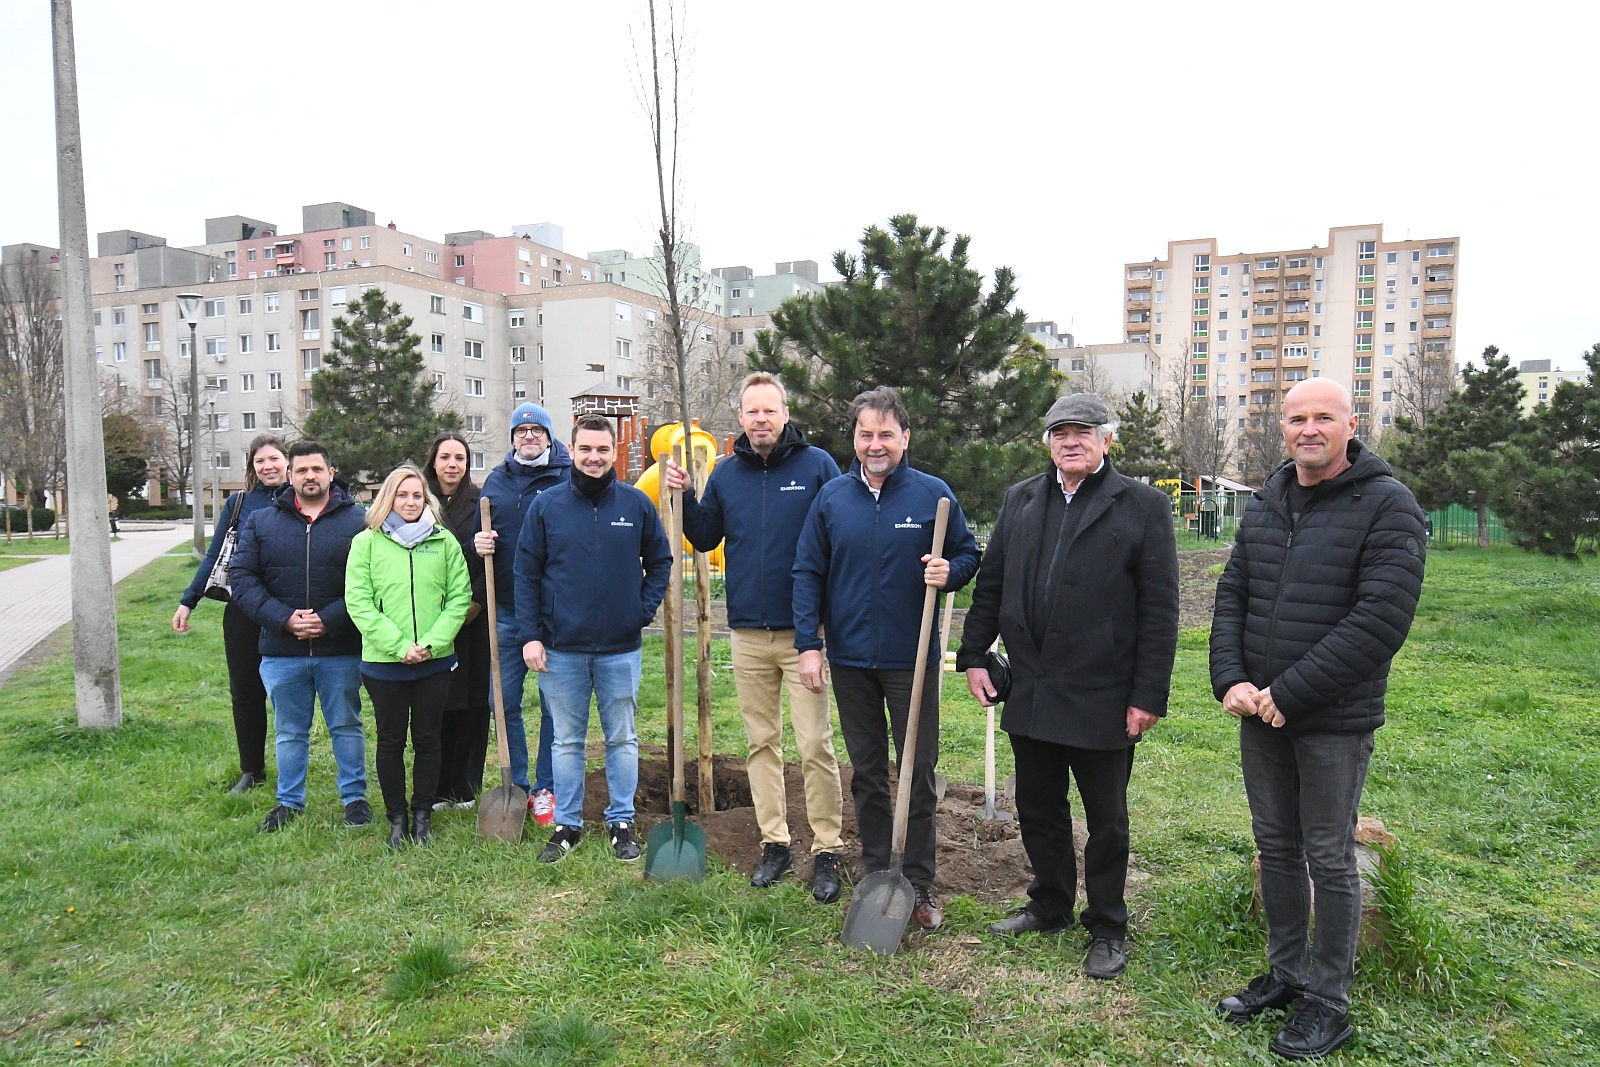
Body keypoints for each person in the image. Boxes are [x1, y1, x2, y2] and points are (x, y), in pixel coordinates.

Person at [1209, 378, 1425, 1061]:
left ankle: (1329, 1001)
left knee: (1328, 854)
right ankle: (1286, 972)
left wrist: (1291, 690)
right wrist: (1232, 677)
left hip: (1332, 716)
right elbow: (1234, 590)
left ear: (1350, 424)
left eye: (1322, 417)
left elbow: (1380, 620)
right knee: (1276, 846)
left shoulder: (1386, 504)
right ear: (1283, 427)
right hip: (1261, 710)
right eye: (1297, 417)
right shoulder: (1271, 497)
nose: (1309, 428)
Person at [956, 393, 1179, 980]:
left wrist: (1147, 695)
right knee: (1037, 804)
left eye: (1083, 431)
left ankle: (1107, 924)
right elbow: (992, 583)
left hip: (1104, 691)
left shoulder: (1143, 507)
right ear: (1048, 443)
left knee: (1106, 819)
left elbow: (1160, 610)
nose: (1071, 441)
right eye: (1060, 432)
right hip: (1032, 684)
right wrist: (975, 654)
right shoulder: (1022, 500)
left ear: (1107, 440)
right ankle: (1051, 903)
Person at [791, 386, 981, 931]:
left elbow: (968, 552)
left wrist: (951, 572)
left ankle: (918, 882)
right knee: (869, 774)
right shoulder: (832, 499)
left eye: (886, 435)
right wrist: (810, 644)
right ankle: (878, 871)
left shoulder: (932, 496)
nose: (875, 445)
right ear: (854, 438)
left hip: (911, 659)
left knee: (917, 771)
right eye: (865, 434)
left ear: (905, 438)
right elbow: (807, 572)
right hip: (850, 660)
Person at [661, 374, 847, 902]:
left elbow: (839, 533)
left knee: (814, 743)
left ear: (785, 414)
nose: (760, 420)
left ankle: (826, 847)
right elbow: (703, 535)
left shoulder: (817, 467)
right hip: (746, 631)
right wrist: (682, 495)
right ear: (739, 418)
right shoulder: (725, 474)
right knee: (760, 744)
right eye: (751, 412)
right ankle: (775, 842)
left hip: (803, 635)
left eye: (769, 411)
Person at [515, 414, 672, 864]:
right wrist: (531, 636)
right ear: (573, 450)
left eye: (602, 450)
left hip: (620, 649)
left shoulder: (636, 505)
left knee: (622, 737)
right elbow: (525, 575)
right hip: (561, 648)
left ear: (614, 453)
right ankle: (567, 823)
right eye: (585, 449)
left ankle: (621, 820)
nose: (594, 457)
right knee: (566, 740)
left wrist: (640, 611)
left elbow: (660, 560)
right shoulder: (546, 507)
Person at [230, 440, 371, 833]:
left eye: (317, 469)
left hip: (339, 646)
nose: (310, 476)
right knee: (290, 730)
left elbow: (371, 582)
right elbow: (241, 578)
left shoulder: (358, 521)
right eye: (302, 470)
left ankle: (355, 799)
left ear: (330, 472)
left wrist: (330, 620)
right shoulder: (262, 521)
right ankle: (289, 802)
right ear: (290, 476)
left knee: (346, 724)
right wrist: (285, 619)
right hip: (282, 649)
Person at [345, 464, 471, 849]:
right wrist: (400, 647)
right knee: (390, 741)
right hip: (385, 664)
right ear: (389, 499)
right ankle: (396, 817)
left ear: (426, 499)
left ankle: (423, 815)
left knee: (429, 739)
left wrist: (430, 644)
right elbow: (359, 602)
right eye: (403, 495)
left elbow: (460, 598)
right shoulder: (365, 543)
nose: (411, 501)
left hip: (435, 662)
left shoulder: (444, 542)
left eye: (417, 495)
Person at [174, 433, 289, 795]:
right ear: (252, 467)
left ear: (288, 462)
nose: (268, 466)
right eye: (260, 461)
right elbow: (214, 555)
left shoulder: (303, 497)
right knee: (245, 691)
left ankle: (293, 769)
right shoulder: (239, 503)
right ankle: (251, 770)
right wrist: (188, 599)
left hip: (289, 609)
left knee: (291, 691)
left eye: (274, 459)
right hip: (243, 609)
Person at [474, 403, 572, 826]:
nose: (529, 436)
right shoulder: (496, 481)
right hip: (508, 610)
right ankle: (516, 783)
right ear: (512, 438)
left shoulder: (568, 478)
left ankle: (546, 787)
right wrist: (480, 543)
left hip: (553, 613)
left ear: (550, 437)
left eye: (537, 430)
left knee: (554, 705)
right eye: (521, 431)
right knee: (502, 700)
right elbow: (481, 537)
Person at [426, 432, 492, 809]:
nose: (453, 464)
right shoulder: (419, 499)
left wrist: (478, 603)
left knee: (473, 701)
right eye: (445, 457)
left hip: (473, 617)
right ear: (433, 461)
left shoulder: (482, 500)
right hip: (430, 616)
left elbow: (492, 556)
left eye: (460, 458)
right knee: (438, 701)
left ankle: (465, 786)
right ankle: (436, 786)